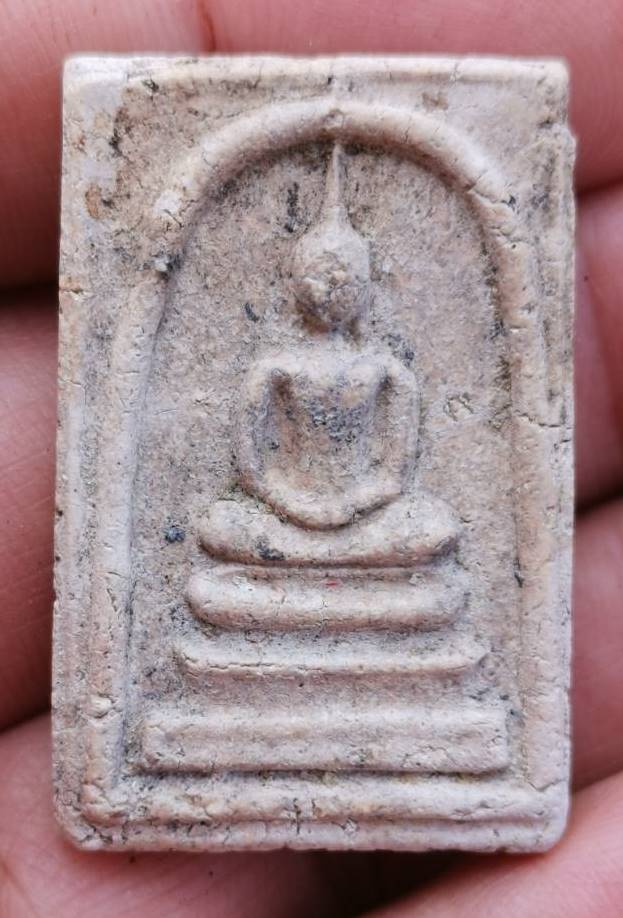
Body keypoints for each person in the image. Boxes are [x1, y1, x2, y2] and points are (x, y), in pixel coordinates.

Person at [1, 2, 622, 916]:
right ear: (297, 285)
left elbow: (398, 470)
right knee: (222, 533)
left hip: (370, 525)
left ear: (367, 288)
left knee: (430, 532)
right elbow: (250, 463)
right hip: (283, 519)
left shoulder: (385, 372)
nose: (331, 289)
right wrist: (293, 508)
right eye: (318, 277)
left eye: (346, 278)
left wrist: (357, 506)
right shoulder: (274, 368)